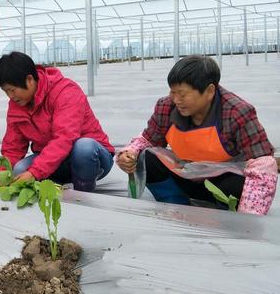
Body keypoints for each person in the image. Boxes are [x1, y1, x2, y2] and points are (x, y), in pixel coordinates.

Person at [116, 55, 277, 215]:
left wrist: (249, 219)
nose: (176, 100)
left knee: (239, 184)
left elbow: (263, 164)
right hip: (185, 175)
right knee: (147, 157)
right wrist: (129, 153)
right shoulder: (166, 107)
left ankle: (224, 213)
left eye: (183, 94)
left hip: (220, 183)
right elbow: (148, 140)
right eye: (173, 92)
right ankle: (175, 205)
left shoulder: (236, 112)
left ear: (209, 91)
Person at [0, 52, 115, 192]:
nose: (10, 96)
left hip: (92, 159)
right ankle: (58, 184)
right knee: (19, 170)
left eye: (12, 90)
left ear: (30, 80)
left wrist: (34, 172)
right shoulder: (17, 105)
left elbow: (64, 138)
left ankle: (83, 192)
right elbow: (12, 149)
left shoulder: (65, 92)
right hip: (56, 161)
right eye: (6, 91)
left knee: (84, 147)